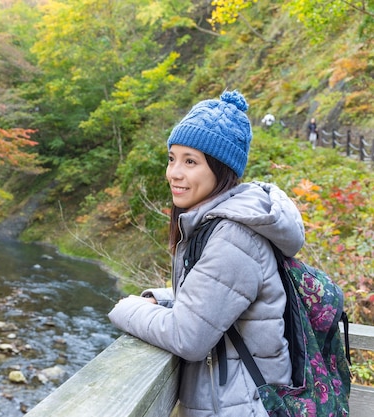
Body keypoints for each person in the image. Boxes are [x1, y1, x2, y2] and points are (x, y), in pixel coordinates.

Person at [108, 90, 305, 417]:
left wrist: (125, 307)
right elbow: (216, 298)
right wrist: (161, 297)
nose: (174, 172)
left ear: (221, 169)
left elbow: (189, 336)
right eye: (172, 158)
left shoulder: (235, 236)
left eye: (191, 161)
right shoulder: (221, 223)